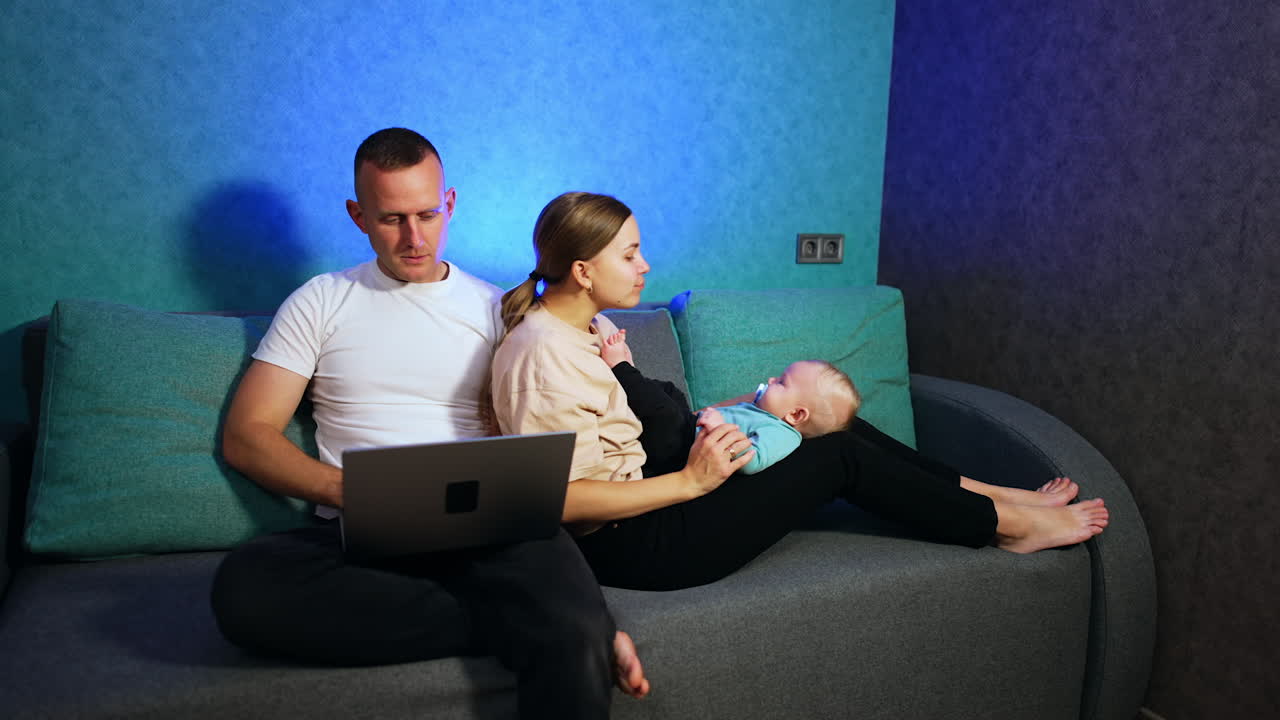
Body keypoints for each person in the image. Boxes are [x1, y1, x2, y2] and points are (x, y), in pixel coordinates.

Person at [209, 130, 648, 719]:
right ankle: (550, 622)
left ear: (451, 204)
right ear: (357, 215)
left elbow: (539, 426)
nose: (414, 238)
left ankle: (564, 621)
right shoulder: (320, 301)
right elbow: (247, 435)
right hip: (361, 528)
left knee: (544, 549)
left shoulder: (499, 309)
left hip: (488, 523)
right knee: (244, 586)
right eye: (391, 219)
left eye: (427, 213)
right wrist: (347, 490)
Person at [490, 191, 1110, 592]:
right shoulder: (542, 355)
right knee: (837, 455)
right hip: (639, 547)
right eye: (631, 255)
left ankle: (990, 492)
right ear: (583, 270)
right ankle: (1005, 525)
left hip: (664, 496)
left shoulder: (584, 327)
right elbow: (561, 501)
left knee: (834, 427)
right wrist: (692, 482)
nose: (645, 266)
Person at [602, 329, 859, 474]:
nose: (771, 380)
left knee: (665, 412)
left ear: (795, 415)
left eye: (781, 382)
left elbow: (751, 462)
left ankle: (621, 369)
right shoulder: (764, 413)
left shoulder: (783, 435)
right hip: (688, 432)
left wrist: (717, 428)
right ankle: (632, 381)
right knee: (671, 392)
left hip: (682, 454)